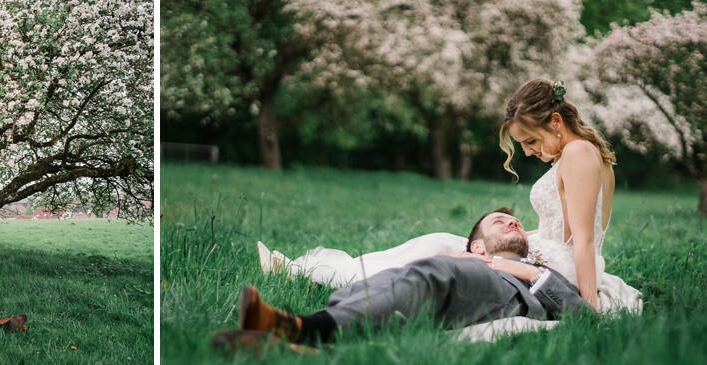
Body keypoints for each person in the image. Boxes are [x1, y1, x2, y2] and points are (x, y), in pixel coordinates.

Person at [258, 79, 640, 312]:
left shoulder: (578, 154)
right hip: (550, 256)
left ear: (555, 122)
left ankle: (320, 272)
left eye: (531, 140)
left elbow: (584, 242)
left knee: (438, 244)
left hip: (559, 270)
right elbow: (565, 232)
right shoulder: (582, 153)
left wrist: (587, 305)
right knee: (441, 244)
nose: (527, 152)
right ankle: (325, 272)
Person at [217, 209, 594, 351]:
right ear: (477, 246)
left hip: (499, 293)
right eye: (500, 221)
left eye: (514, 221)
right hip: (460, 287)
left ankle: (301, 327)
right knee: (393, 280)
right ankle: (294, 343)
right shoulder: (466, 260)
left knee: (430, 272)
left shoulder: (538, 275)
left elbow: (587, 317)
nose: (513, 222)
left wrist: (526, 271)